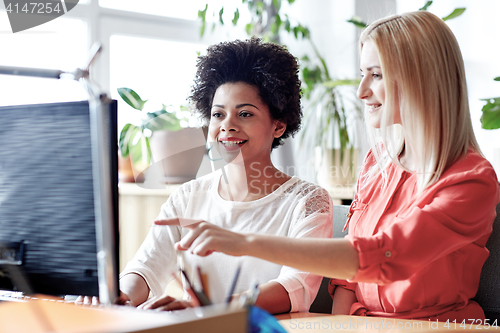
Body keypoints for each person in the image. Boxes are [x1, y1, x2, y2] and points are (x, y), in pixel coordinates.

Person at [157, 11, 500, 321]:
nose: (362, 91)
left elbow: (380, 256)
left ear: (423, 79)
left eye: (376, 75)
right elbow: (347, 281)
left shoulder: (472, 181)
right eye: (363, 75)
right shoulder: (378, 165)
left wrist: (245, 241)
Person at [119, 37, 334, 314]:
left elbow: (293, 287)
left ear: (278, 126)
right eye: (218, 114)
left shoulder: (308, 201)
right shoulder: (188, 196)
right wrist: (121, 297)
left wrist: (209, 309)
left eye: (244, 114)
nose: (227, 126)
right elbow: (144, 268)